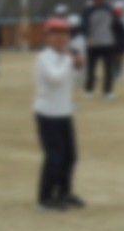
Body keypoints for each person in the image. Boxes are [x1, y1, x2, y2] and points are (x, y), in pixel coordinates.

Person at [33, 18, 85, 212]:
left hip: (64, 112)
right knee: (54, 157)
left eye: (64, 34)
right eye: (55, 34)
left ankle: (64, 192)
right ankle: (45, 198)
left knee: (70, 156)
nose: (61, 38)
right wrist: (69, 60)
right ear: (46, 38)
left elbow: (76, 82)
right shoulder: (44, 57)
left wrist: (78, 65)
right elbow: (55, 78)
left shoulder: (65, 57)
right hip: (48, 113)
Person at [81, 0, 117, 99]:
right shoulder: (87, 11)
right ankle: (89, 90)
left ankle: (108, 91)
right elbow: (84, 25)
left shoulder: (109, 9)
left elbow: (115, 24)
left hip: (107, 42)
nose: (97, 0)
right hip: (93, 43)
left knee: (108, 69)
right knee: (91, 68)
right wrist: (87, 36)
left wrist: (114, 38)